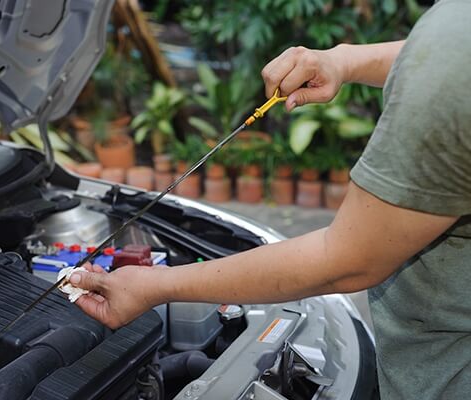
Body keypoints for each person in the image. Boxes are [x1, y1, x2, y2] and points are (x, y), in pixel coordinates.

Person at [70, 1, 471, 398]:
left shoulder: (453, 47)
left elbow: (347, 261)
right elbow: (440, 55)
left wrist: (156, 285)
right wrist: (342, 60)